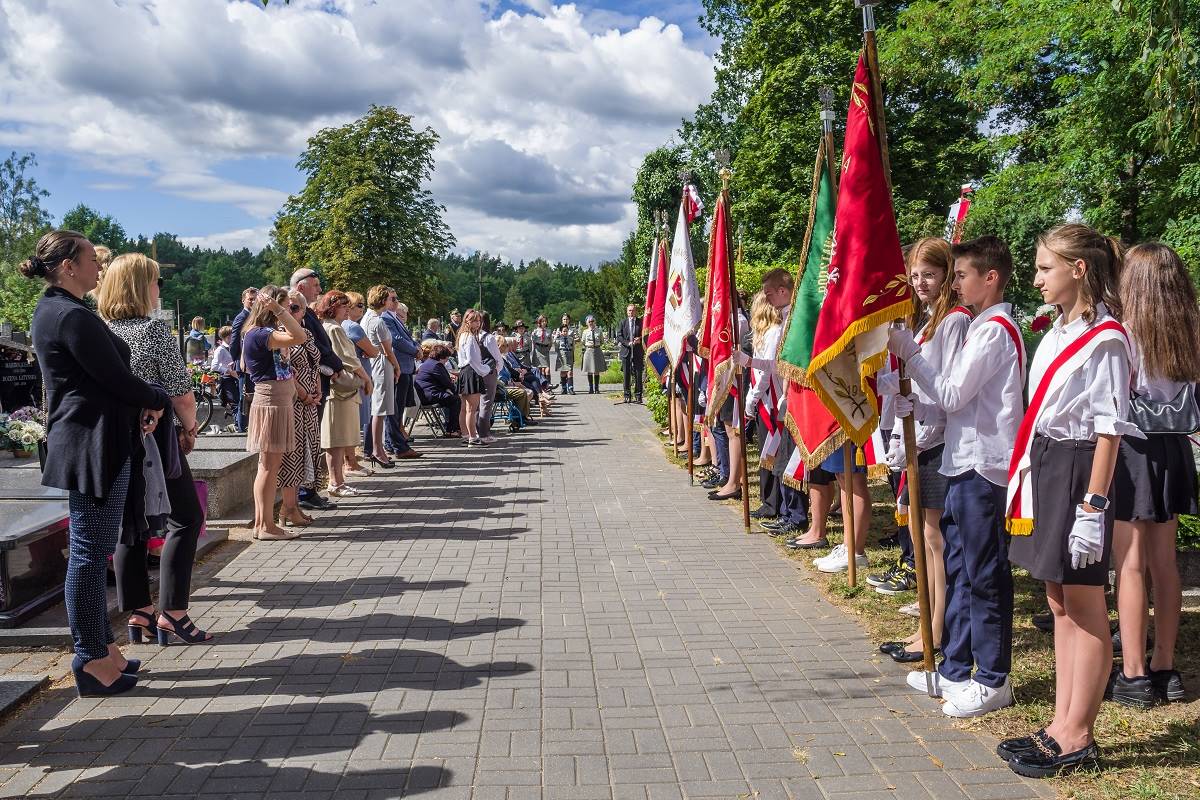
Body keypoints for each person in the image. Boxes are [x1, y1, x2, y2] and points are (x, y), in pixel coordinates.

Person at [1002, 224, 1136, 778]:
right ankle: (1060, 721)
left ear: (1078, 269)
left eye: (1044, 268)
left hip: (1084, 470)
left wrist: (1093, 508)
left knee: (1085, 606)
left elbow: (1110, 430)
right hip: (1051, 464)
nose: (1036, 279)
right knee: (1057, 600)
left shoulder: (1105, 337)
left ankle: (1080, 733)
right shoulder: (1057, 330)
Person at [25, 230, 170, 696]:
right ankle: (89, 657)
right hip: (91, 444)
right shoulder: (68, 315)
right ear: (68, 265)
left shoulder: (63, 310)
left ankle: (103, 650)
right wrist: (156, 397)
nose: (97, 266)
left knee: (93, 549)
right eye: (90, 258)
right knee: (89, 555)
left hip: (96, 439)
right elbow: (115, 378)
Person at [887, 236, 1023, 716]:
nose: (954, 283)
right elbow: (948, 400)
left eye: (961, 275)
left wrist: (911, 355)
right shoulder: (982, 325)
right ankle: (957, 665)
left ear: (990, 277)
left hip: (984, 464)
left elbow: (951, 393)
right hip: (963, 459)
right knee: (962, 569)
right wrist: (911, 401)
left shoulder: (992, 330)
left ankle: (992, 677)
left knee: (984, 574)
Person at [99, 252, 212, 647]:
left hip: (113, 439)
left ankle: (139, 613)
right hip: (155, 437)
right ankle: (174, 613)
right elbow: (180, 390)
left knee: (130, 525)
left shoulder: (99, 329)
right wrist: (190, 428)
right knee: (186, 517)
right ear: (138, 286)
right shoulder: (152, 331)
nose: (158, 288)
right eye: (154, 280)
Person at [1108, 243, 1200, 708]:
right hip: (1175, 447)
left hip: (1133, 448)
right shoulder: (1189, 328)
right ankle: (1166, 666)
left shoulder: (1124, 333)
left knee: (1130, 563)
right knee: (1166, 564)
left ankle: (1134, 673)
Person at [875, 238, 973, 664]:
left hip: (940, 442)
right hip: (925, 439)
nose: (920, 283)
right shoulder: (929, 321)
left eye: (929, 275)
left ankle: (936, 629)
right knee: (924, 537)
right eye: (914, 276)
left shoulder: (953, 321)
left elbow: (948, 386)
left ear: (948, 274)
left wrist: (921, 415)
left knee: (934, 540)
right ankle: (928, 625)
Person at [243, 285, 307, 541]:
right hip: (271, 402)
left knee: (267, 466)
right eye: (284, 306)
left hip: (275, 400)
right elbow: (299, 336)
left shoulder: (259, 333)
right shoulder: (260, 334)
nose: (286, 311)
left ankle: (263, 523)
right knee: (269, 467)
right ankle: (266, 525)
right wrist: (279, 309)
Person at [290, 268, 343, 511]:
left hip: (314, 386)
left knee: (312, 440)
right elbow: (319, 347)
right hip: (305, 389)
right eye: (316, 285)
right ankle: (305, 491)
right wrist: (336, 365)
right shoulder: (298, 316)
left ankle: (309, 489)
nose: (319, 290)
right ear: (301, 287)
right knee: (306, 441)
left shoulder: (307, 313)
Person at [318, 291, 373, 496]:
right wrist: (365, 378)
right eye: (343, 305)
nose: (347, 308)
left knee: (340, 438)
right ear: (332, 307)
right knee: (336, 439)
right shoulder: (333, 328)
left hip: (342, 390)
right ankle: (335, 482)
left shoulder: (335, 327)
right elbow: (347, 358)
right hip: (339, 391)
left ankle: (339, 480)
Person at [278, 291, 323, 527]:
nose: (292, 312)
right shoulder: (280, 336)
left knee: (308, 451)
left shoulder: (305, 333)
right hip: (295, 402)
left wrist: (317, 390)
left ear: (304, 311)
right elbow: (286, 370)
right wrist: (304, 395)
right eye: (289, 308)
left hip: (310, 403)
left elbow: (315, 363)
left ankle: (294, 506)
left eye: (296, 308)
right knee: (292, 457)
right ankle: (288, 508)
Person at [362, 286, 400, 468]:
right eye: (389, 299)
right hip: (381, 365)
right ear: (383, 300)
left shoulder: (367, 318)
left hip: (374, 364)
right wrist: (397, 366)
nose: (391, 302)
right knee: (379, 409)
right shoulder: (377, 321)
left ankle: (378, 448)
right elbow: (387, 350)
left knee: (378, 409)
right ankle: (377, 449)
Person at [381, 292, 422, 459]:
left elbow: (406, 337)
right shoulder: (386, 318)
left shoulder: (393, 318)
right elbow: (396, 339)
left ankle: (392, 442)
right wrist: (414, 350)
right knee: (394, 409)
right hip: (398, 366)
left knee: (398, 408)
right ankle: (395, 444)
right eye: (393, 298)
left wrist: (417, 347)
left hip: (404, 366)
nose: (397, 301)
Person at [341, 291, 377, 476]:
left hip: (348, 378)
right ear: (349, 308)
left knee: (352, 421)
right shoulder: (352, 327)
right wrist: (372, 349)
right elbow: (373, 351)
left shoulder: (342, 326)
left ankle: (351, 460)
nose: (363, 308)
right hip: (358, 377)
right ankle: (351, 462)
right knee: (355, 421)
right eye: (360, 305)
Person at [456, 309, 490, 446]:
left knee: (465, 408)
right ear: (467, 321)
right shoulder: (469, 337)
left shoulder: (462, 335)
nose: (478, 323)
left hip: (465, 372)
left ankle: (465, 434)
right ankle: (472, 437)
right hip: (471, 372)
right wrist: (486, 369)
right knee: (472, 409)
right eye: (474, 320)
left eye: (478, 320)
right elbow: (472, 360)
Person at [415, 342, 462, 436]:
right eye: (446, 358)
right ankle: (452, 430)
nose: (447, 361)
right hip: (429, 395)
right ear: (442, 357)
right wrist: (457, 390)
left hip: (423, 394)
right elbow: (448, 383)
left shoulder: (428, 363)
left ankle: (452, 428)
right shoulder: (437, 365)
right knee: (455, 400)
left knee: (451, 398)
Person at [229, 287, 257, 433]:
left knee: (250, 397)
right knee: (244, 398)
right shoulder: (241, 318)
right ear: (243, 300)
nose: (253, 301)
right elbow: (234, 342)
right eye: (250, 299)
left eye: (255, 299)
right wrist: (235, 360)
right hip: (243, 365)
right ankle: (241, 429)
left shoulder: (254, 316)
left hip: (251, 365)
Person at [475, 312, 503, 443]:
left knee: (475, 404)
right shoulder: (489, 337)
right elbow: (498, 358)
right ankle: (484, 433)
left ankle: (476, 430)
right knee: (486, 403)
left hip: (475, 371)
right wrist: (497, 370)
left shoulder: (472, 336)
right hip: (488, 372)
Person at [617, 304, 644, 402]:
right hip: (626, 351)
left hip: (637, 351)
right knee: (626, 374)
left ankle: (638, 395)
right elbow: (619, 336)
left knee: (638, 374)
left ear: (635, 311)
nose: (631, 313)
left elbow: (646, 335)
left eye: (632, 311)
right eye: (629, 311)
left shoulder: (641, 322)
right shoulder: (623, 322)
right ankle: (627, 395)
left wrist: (640, 339)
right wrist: (627, 343)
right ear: (627, 312)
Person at [211, 325, 238, 415]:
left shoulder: (233, 347)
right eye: (233, 336)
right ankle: (237, 425)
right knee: (235, 402)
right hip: (227, 378)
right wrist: (228, 371)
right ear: (227, 337)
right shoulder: (220, 350)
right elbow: (214, 366)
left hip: (236, 377)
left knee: (239, 402)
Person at [581, 315, 606, 394]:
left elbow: (602, 341)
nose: (591, 323)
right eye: (589, 321)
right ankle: (591, 388)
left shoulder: (599, 331)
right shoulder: (585, 332)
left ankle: (597, 388)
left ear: (595, 322)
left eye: (592, 321)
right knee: (589, 370)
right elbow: (583, 341)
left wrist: (597, 345)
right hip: (589, 350)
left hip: (597, 350)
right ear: (587, 323)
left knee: (596, 370)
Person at [555, 316, 576, 394]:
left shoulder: (570, 338)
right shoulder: (558, 339)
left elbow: (573, 346)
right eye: (563, 331)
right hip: (562, 355)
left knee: (570, 372)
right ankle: (564, 388)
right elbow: (556, 347)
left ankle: (571, 388)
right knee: (563, 372)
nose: (565, 332)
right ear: (561, 332)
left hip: (569, 354)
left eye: (566, 331)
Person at [531, 315, 553, 382]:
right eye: (542, 321)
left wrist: (547, 348)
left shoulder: (548, 331)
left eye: (545, 321)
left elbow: (550, 342)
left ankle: (549, 384)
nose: (544, 322)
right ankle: (542, 385)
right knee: (540, 369)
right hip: (538, 350)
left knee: (547, 369)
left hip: (545, 350)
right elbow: (533, 341)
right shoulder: (535, 331)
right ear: (539, 322)